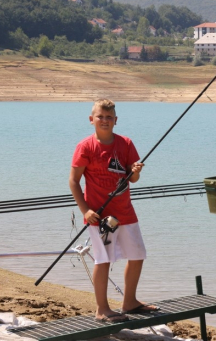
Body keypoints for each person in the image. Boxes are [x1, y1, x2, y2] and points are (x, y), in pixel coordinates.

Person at [69, 99, 158, 323]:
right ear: (92, 120)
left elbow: (133, 178)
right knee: (103, 260)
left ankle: (129, 302)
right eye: (100, 116)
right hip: (100, 218)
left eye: (109, 117)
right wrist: (86, 210)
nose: (105, 120)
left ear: (116, 120)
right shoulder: (85, 147)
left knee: (138, 255)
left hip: (126, 212)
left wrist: (136, 171)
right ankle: (102, 309)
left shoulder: (126, 143)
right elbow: (73, 181)